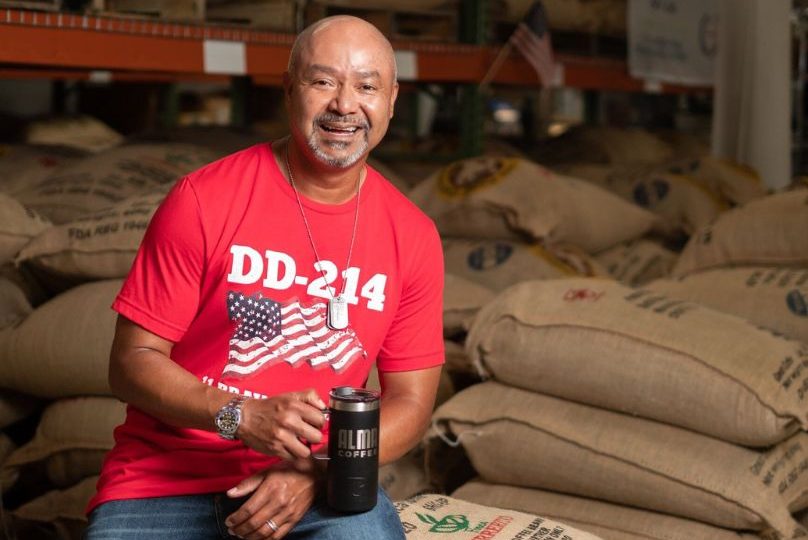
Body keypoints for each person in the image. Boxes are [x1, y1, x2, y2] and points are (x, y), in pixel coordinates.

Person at [84, 15, 444, 540]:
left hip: (314, 483)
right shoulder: (204, 201)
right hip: (164, 481)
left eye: (366, 86)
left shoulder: (412, 234)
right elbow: (130, 364)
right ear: (289, 89)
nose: (345, 105)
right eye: (323, 81)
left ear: (392, 99)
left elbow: (410, 401)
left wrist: (318, 468)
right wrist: (240, 415)